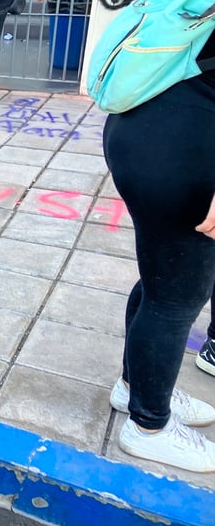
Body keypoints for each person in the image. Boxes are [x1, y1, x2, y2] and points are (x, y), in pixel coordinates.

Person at [103, 31, 215, 472]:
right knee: (177, 295)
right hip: (185, 149)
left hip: (146, 128)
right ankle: (149, 427)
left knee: (161, 278)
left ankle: (136, 387)